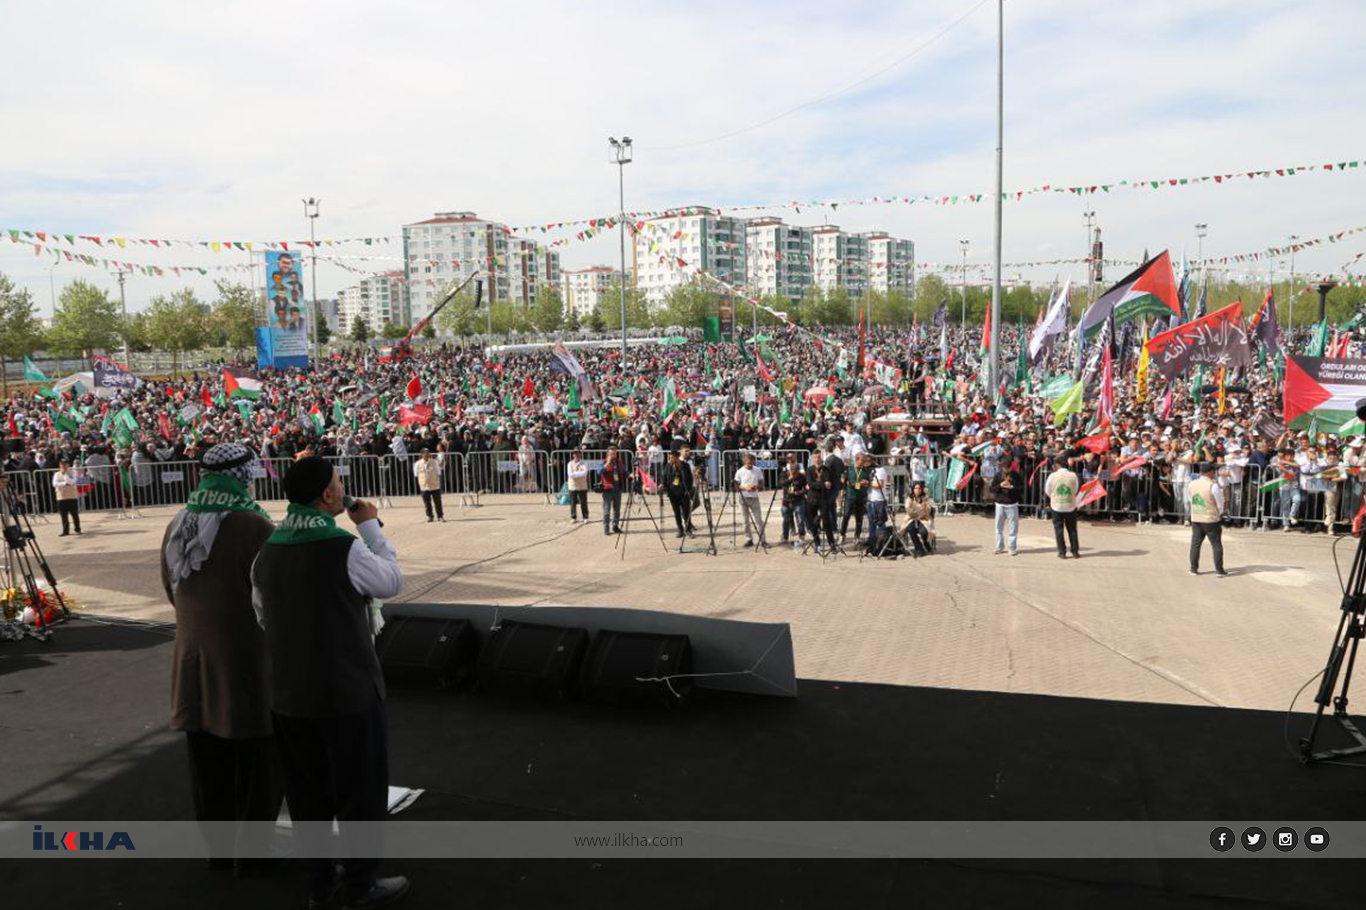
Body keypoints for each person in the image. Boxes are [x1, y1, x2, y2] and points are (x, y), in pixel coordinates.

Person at [251, 456, 407, 910]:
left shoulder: (267, 550)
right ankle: (359, 884)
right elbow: (390, 581)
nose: (343, 488)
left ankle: (319, 882)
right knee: (359, 790)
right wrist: (370, 526)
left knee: (306, 793)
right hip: (346, 692)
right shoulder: (344, 547)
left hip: (289, 694)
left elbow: (262, 615)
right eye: (338, 482)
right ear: (326, 495)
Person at [159, 443, 280, 869]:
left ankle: (219, 852)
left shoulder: (179, 522)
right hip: (245, 663)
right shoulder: (253, 524)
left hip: (193, 663)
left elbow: (170, 590)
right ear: (242, 476)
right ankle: (253, 854)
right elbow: (272, 596)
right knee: (258, 763)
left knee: (207, 763)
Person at [1188, 461, 1228, 577]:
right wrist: (1218, 513)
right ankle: (1219, 570)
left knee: (1195, 544)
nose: (1215, 473)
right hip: (1211, 519)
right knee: (1216, 545)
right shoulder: (1213, 485)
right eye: (1214, 471)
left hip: (1196, 517)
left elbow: (1191, 499)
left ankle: (1193, 569)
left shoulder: (1192, 483)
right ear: (1210, 472)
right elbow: (1220, 503)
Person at [1045, 459, 1080, 559]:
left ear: (1057, 465)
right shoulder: (1073, 475)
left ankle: (1062, 552)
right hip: (1070, 505)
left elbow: (1047, 490)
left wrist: (1054, 496)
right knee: (1072, 529)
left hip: (1057, 505)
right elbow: (1075, 489)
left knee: (1059, 529)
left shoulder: (1052, 476)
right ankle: (1075, 551)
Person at [992, 458, 1024, 556]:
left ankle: (1012, 548)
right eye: (1004, 468)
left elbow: (1022, 488)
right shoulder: (998, 475)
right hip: (1000, 504)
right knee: (998, 528)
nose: (1005, 469)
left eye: (1007, 468)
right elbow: (992, 488)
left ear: (1011, 467)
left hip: (1012, 504)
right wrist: (1000, 485)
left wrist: (1012, 487)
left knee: (1013, 529)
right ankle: (999, 546)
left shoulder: (1016, 475)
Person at [733, 452, 766, 548]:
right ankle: (749, 539)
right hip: (743, 498)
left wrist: (757, 487)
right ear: (744, 462)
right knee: (745, 521)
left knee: (759, 520)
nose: (750, 465)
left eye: (752, 463)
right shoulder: (740, 471)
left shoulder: (757, 470)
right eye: (748, 463)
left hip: (754, 498)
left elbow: (762, 482)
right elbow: (736, 486)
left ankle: (763, 540)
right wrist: (744, 488)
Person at [663, 448, 696, 538]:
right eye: (670, 457)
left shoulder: (685, 466)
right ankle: (680, 530)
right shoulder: (668, 466)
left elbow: (690, 478)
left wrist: (688, 489)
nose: (670, 459)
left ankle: (688, 530)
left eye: (672, 457)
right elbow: (664, 477)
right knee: (676, 513)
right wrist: (663, 486)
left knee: (686, 513)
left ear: (677, 457)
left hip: (684, 493)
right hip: (673, 494)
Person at [841, 452, 871, 541]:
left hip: (861, 497)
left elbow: (869, 482)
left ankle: (857, 536)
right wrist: (860, 484)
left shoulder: (866, 470)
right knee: (846, 515)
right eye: (863, 460)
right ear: (857, 460)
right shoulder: (850, 469)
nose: (864, 462)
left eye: (865, 460)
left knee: (859, 517)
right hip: (850, 496)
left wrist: (867, 483)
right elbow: (851, 483)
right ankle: (842, 534)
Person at [779, 457, 808, 548]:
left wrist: (800, 492)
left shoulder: (802, 477)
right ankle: (785, 536)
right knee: (786, 520)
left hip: (798, 500)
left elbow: (806, 487)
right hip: (787, 500)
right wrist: (789, 479)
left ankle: (802, 536)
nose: (794, 475)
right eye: (792, 472)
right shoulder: (784, 475)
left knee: (800, 519)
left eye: (796, 473)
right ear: (790, 471)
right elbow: (781, 484)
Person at [599, 445, 627, 536]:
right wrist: (607, 463)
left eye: (614, 453)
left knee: (617, 509)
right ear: (607, 454)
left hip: (617, 489)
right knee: (607, 510)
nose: (613, 455)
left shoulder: (619, 462)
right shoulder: (603, 462)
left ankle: (615, 526)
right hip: (607, 489)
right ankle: (606, 527)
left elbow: (624, 472)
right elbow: (599, 472)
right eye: (611, 454)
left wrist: (631, 475)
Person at [904, 480, 934, 557]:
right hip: (912, 519)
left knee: (924, 532)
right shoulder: (909, 499)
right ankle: (919, 549)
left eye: (919, 488)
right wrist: (919, 510)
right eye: (916, 488)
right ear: (913, 489)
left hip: (923, 519)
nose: (917, 490)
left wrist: (918, 511)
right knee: (910, 529)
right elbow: (908, 510)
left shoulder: (926, 498)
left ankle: (926, 543)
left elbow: (927, 510)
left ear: (922, 489)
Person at [413, 449, 444, 522]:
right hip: (424, 485)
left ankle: (440, 516)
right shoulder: (417, 463)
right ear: (422, 455)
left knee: (437, 502)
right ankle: (430, 516)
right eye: (425, 453)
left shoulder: (434, 462)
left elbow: (438, 472)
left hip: (434, 485)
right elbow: (416, 474)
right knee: (427, 502)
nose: (427, 455)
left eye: (428, 453)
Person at [52, 459, 82, 536]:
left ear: (68, 465)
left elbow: (72, 482)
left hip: (72, 497)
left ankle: (77, 529)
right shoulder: (56, 474)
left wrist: (65, 475)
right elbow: (55, 484)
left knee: (75, 514)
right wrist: (64, 483)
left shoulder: (73, 472)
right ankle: (65, 531)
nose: (63, 466)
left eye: (65, 464)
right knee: (63, 516)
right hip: (61, 497)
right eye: (62, 464)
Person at [865, 455, 889, 551]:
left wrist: (868, 483)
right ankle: (872, 543)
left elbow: (880, 485)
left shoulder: (880, 470)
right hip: (871, 500)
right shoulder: (870, 470)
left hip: (879, 500)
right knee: (871, 523)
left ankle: (883, 543)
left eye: (867, 463)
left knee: (881, 523)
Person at [566, 450, 590, 522]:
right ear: (573, 455)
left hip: (582, 486)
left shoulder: (584, 463)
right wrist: (579, 473)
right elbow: (570, 474)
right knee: (573, 502)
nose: (576, 455)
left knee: (583, 502)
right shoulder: (570, 464)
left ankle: (585, 517)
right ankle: (573, 517)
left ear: (580, 454)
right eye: (575, 453)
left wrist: (575, 474)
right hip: (573, 485)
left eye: (578, 453)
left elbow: (584, 473)